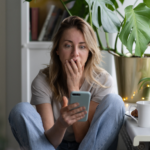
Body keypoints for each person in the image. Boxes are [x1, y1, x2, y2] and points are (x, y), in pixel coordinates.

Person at [9, 16, 125, 150]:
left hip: (89, 145)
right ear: (57, 50)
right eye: (68, 45)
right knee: (20, 110)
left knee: (115, 102)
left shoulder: (102, 81)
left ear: (89, 52)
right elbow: (50, 142)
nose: (75, 54)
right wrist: (61, 124)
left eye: (82, 46)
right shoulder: (42, 81)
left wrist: (74, 89)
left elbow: (81, 136)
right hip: (53, 146)